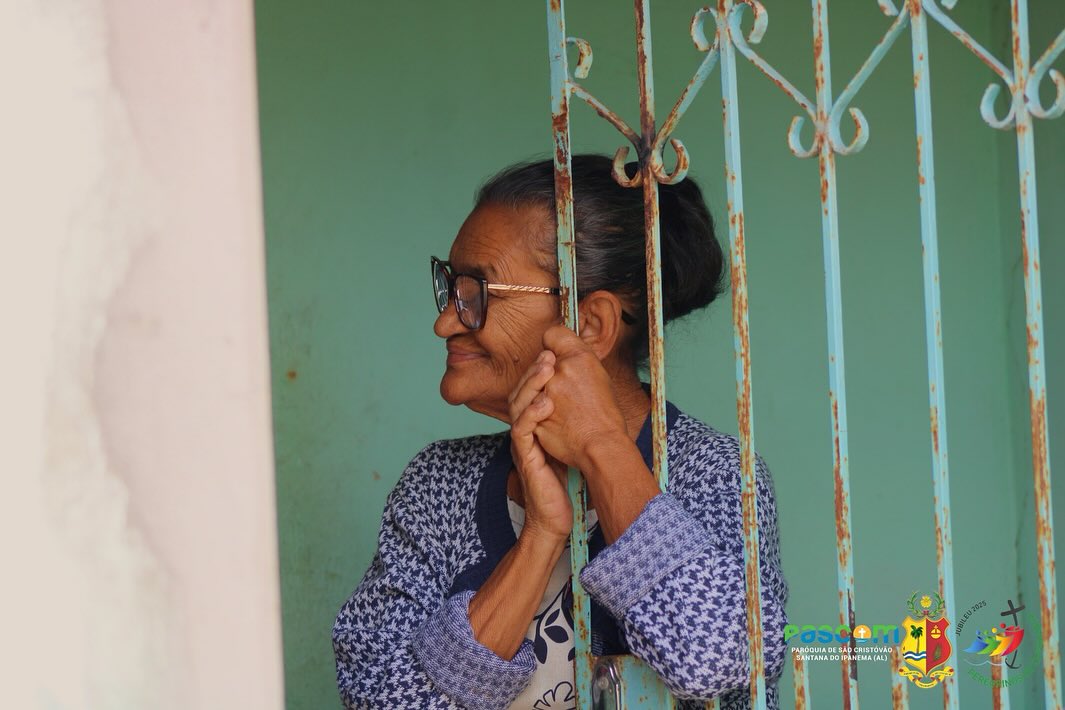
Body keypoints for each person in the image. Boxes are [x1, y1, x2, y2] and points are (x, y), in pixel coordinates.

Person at [333, 155, 788, 709]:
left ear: (589, 325)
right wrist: (539, 538)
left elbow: (718, 660)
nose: (446, 321)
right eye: (450, 287)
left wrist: (600, 446)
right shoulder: (437, 486)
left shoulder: (712, 474)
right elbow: (378, 699)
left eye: (477, 292)